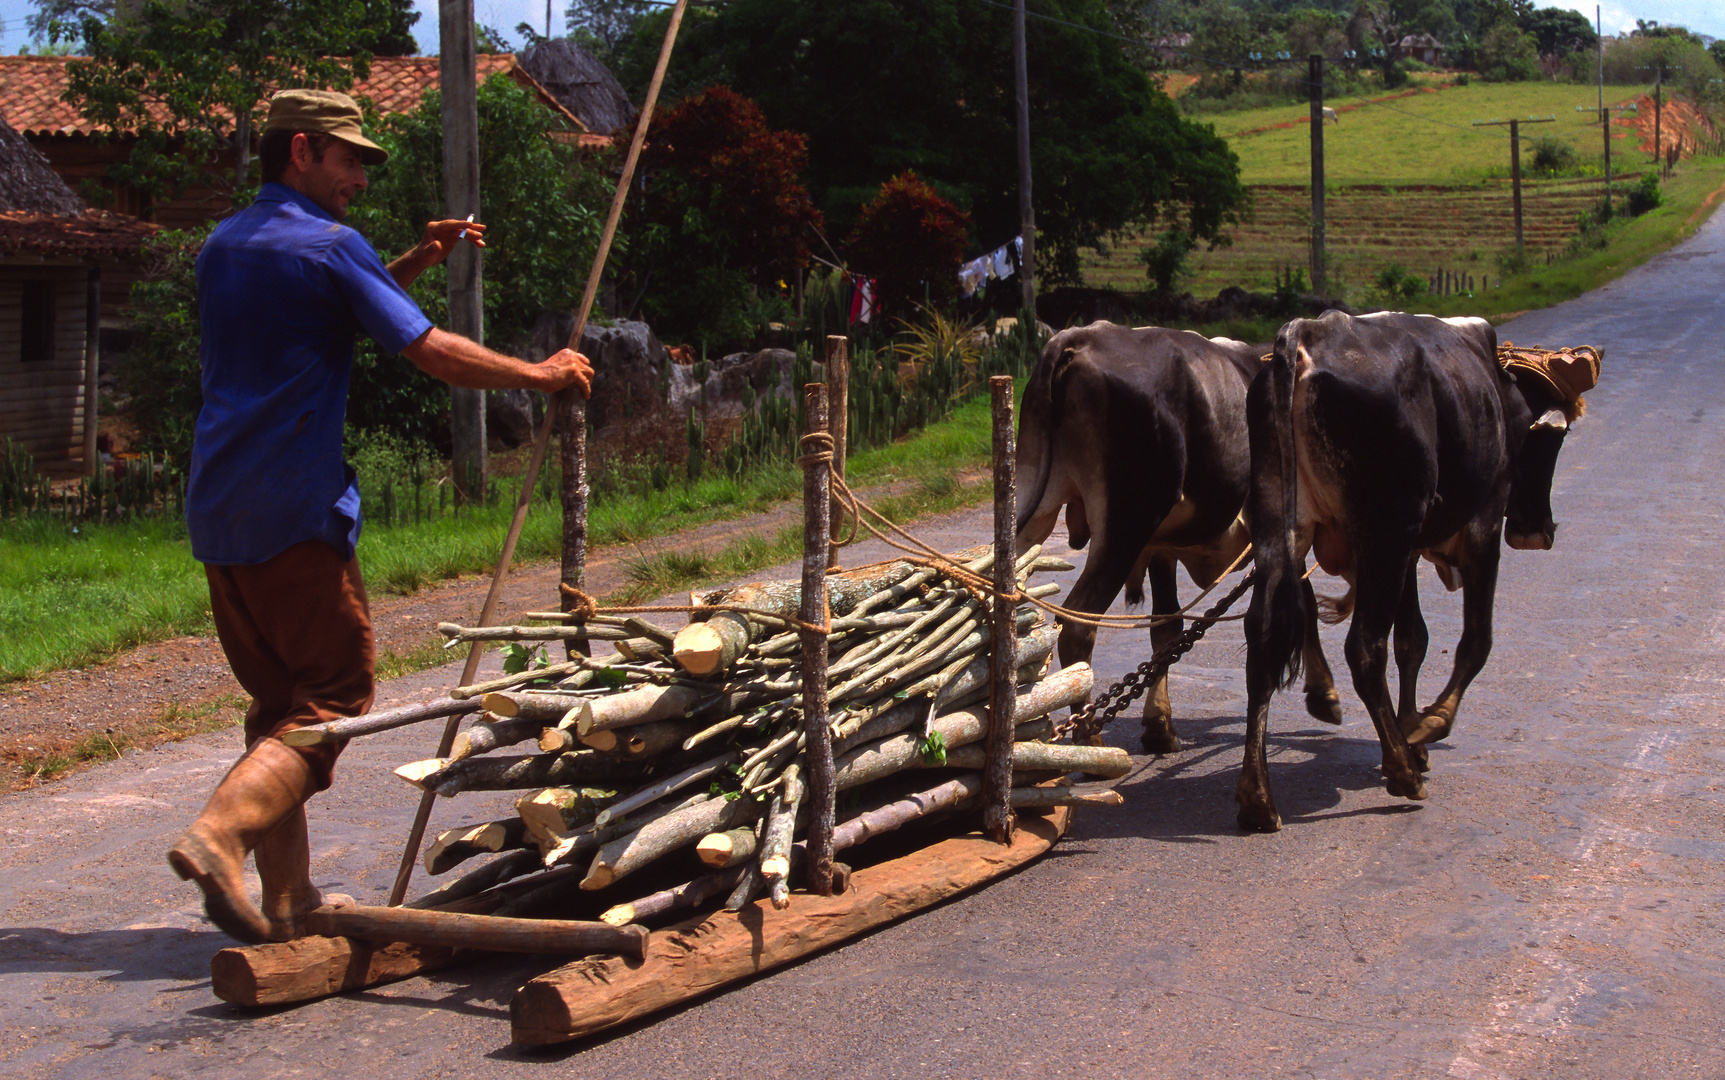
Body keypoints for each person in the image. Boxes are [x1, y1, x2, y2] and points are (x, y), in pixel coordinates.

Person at [166, 88, 593, 943]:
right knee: (332, 697)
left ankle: (289, 901)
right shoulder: (328, 245)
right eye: (348, 157)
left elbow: (323, 316)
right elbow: (430, 351)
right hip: (294, 507)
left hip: (221, 510)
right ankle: (220, 833)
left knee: (280, 707)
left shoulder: (227, 244)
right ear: (300, 152)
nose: (359, 176)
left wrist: (413, 261)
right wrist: (539, 376)